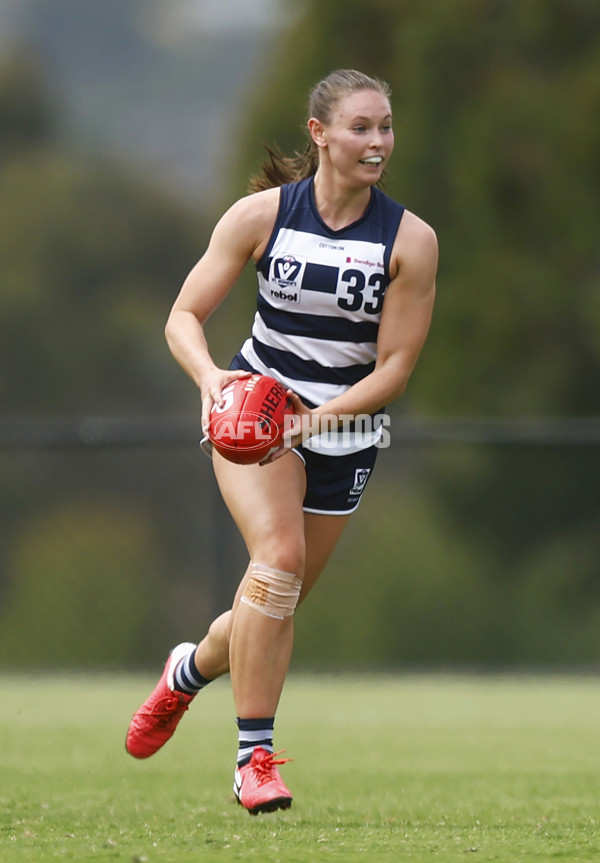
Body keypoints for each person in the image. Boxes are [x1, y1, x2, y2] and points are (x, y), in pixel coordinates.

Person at [126, 69, 438, 815]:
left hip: (344, 427)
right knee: (279, 559)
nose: (377, 142)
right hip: (256, 416)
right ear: (319, 134)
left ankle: (187, 671)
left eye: (386, 126)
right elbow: (183, 316)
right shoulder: (261, 216)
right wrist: (212, 382)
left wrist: (316, 421)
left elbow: (393, 368)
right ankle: (253, 758)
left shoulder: (410, 241)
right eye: (361, 127)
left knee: (274, 601)